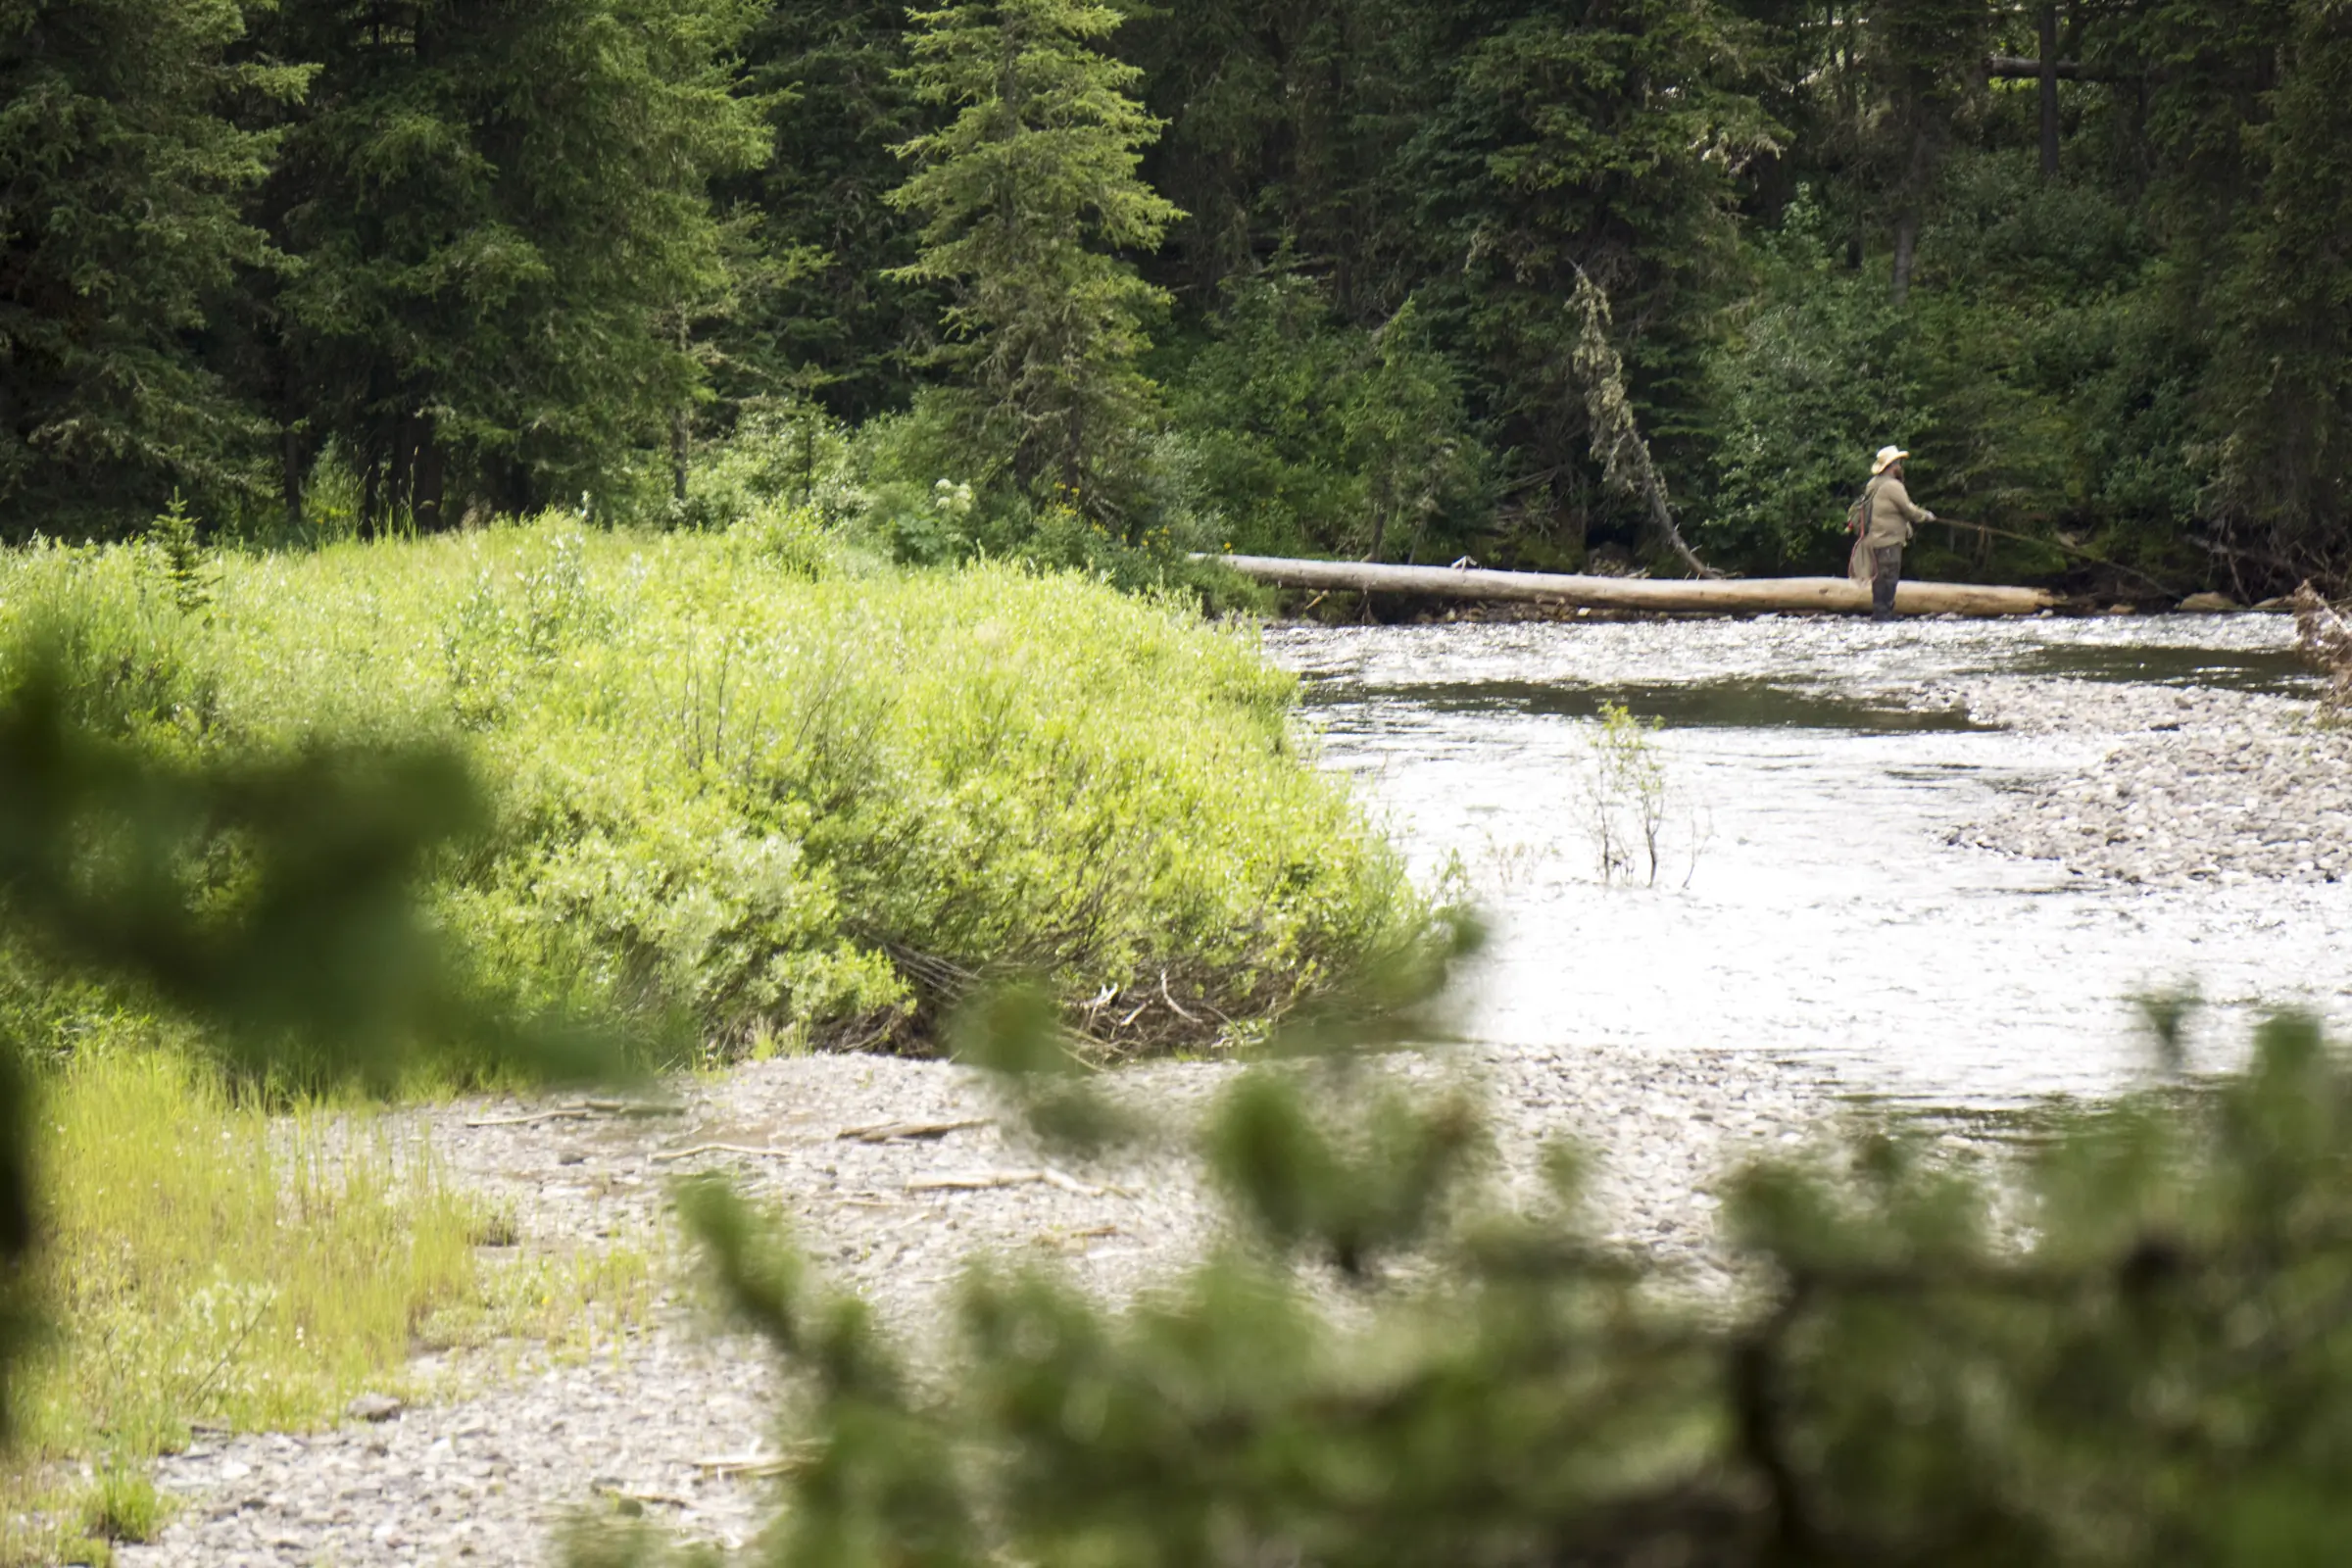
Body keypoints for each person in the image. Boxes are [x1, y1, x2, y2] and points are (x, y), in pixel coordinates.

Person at [1853, 445, 1934, 621]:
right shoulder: (1893, 486)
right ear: (1892, 466)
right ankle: (1884, 614)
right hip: (1887, 540)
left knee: (1880, 577)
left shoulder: (1873, 483)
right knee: (1888, 578)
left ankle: (1881, 612)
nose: (1900, 466)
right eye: (1898, 463)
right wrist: (1926, 516)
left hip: (1874, 539)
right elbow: (1909, 510)